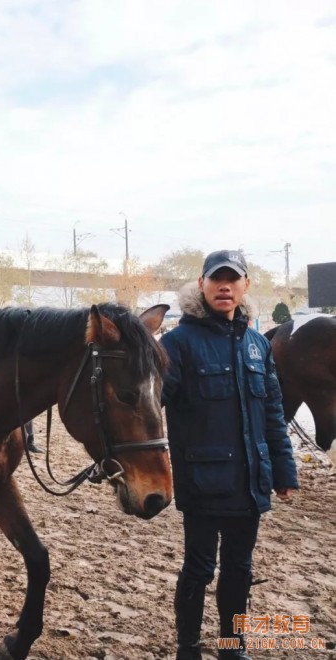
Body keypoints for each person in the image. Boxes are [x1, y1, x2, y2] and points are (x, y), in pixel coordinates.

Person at [159, 250, 299, 660]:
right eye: (216, 279)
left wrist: (284, 471)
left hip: (250, 481)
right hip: (203, 483)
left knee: (240, 570)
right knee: (199, 570)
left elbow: (273, 412)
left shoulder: (257, 344)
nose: (225, 286)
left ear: (245, 286)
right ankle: (189, 648)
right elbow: (152, 404)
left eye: (233, 279)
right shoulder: (177, 344)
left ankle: (231, 647)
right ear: (201, 285)